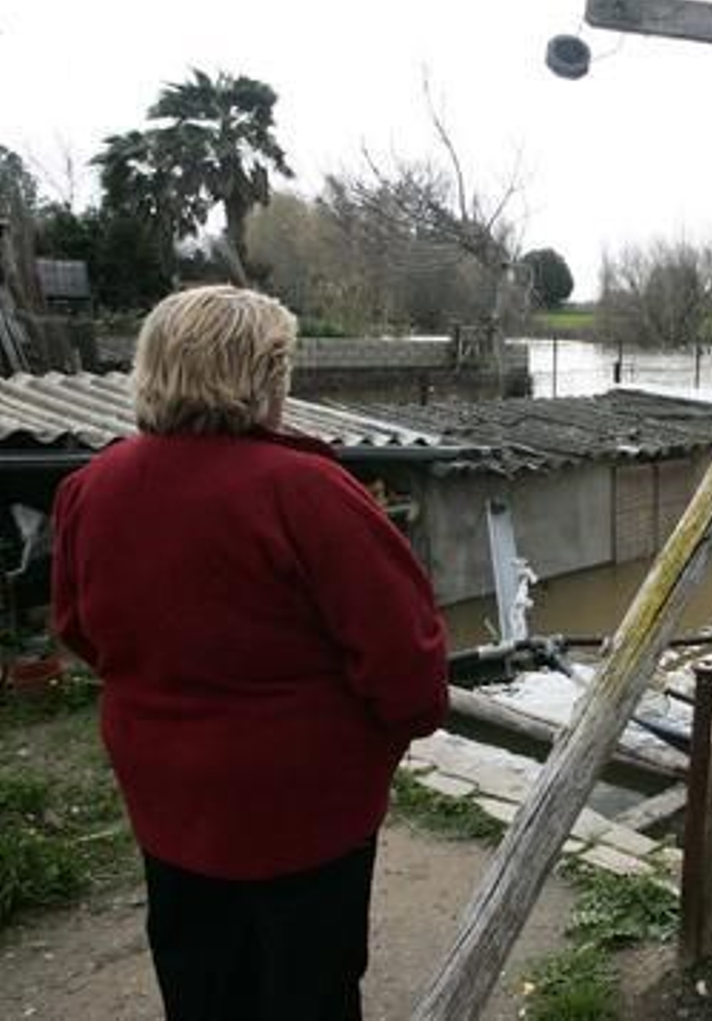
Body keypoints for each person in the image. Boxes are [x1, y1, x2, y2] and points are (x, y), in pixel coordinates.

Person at [50, 286, 449, 1020]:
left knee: (199, 983)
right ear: (263, 376)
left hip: (168, 803)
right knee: (310, 991)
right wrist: (380, 738)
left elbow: (78, 628)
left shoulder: (90, 488)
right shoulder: (309, 490)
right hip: (304, 815)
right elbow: (409, 667)